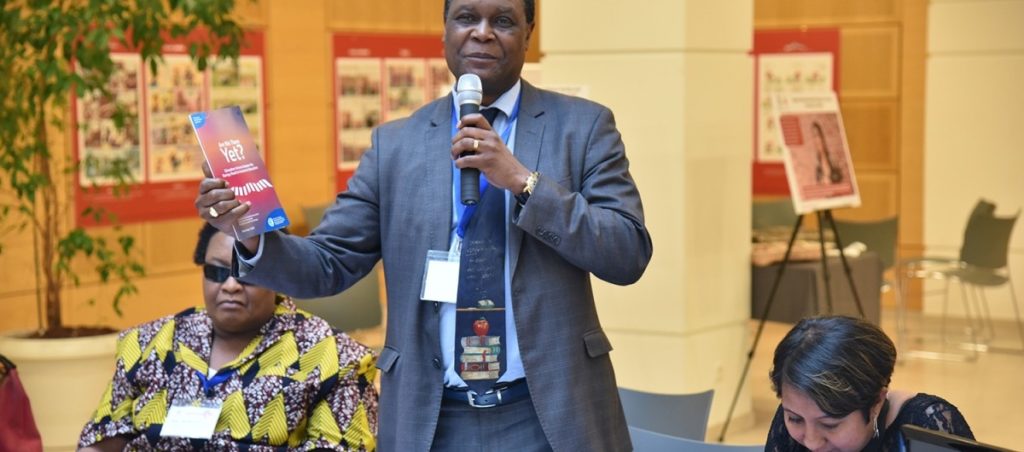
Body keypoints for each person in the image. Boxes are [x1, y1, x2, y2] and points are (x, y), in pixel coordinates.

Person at [194, 0, 653, 450]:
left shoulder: (583, 128)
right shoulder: (395, 145)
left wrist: (523, 182)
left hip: (548, 412)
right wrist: (250, 233)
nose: (482, 32)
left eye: (503, 20)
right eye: (467, 17)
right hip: (432, 419)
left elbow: (627, 251)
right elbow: (328, 263)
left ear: (528, 33)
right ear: (445, 30)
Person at [77, 223, 378, 451]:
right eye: (218, 272)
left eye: (247, 273)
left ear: (278, 272)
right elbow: (102, 439)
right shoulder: (150, 343)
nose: (231, 285)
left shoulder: (333, 358)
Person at [765, 316, 974, 452]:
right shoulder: (799, 411)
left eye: (830, 425)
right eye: (795, 419)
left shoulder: (928, 426)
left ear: (876, 402)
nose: (812, 442)